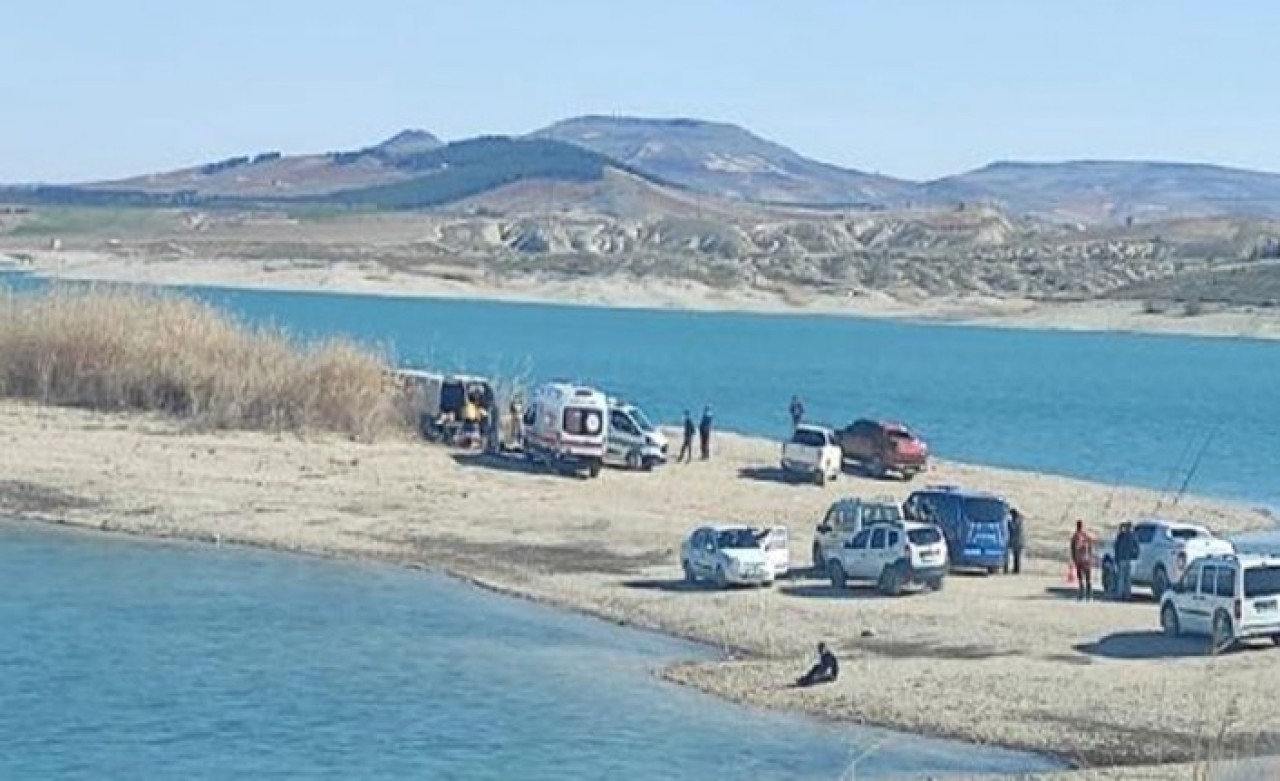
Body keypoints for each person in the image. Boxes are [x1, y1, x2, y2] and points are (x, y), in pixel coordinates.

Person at [1113, 522, 1139, 601]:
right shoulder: (1130, 536)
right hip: (1125, 559)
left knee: (1123, 578)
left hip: (1125, 559)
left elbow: (1116, 547)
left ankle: (1122, 594)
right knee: (1126, 578)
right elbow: (1137, 548)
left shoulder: (1123, 536)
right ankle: (1125, 595)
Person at [1070, 520, 1094, 601]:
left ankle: (1082, 594)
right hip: (1086, 559)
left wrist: (1074, 559)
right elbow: (1090, 547)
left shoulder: (1075, 536)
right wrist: (1090, 556)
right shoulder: (1086, 536)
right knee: (1088, 578)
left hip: (1079, 560)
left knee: (1081, 578)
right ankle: (1089, 595)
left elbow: (1072, 549)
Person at [1005, 508, 1025, 575]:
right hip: (1019, 541)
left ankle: (1016, 570)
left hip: (1017, 541)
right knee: (1016, 557)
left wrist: (1008, 523)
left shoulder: (1017, 520)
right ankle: (1016, 569)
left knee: (1016, 556)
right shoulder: (1020, 519)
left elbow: (1013, 528)